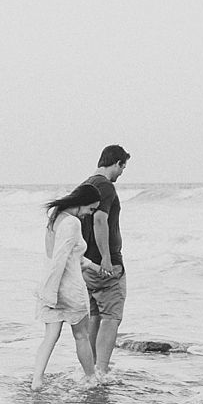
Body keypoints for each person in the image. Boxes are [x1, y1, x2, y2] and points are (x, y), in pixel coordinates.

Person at [32, 183, 103, 389]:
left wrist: (95, 266)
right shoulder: (72, 223)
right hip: (68, 289)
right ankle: (91, 379)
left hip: (51, 286)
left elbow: (68, 256)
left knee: (50, 337)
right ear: (81, 203)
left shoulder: (55, 217)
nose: (89, 214)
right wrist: (51, 293)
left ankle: (37, 380)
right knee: (81, 336)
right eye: (90, 209)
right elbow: (61, 259)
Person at [80, 145, 131, 380]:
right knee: (111, 317)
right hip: (104, 265)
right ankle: (101, 370)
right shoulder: (105, 186)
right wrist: (108, 260)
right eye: (123, 167)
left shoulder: (86, 185)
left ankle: (90, 369)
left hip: (87, 264)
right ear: (117, 163)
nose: (122, 173)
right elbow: (101, 220)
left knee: (94, 315)